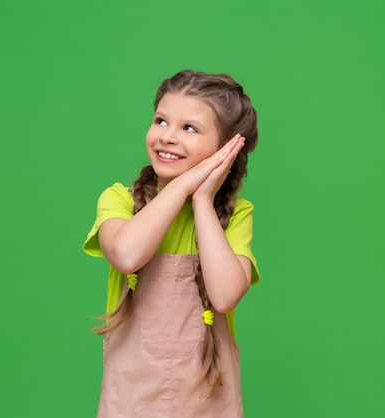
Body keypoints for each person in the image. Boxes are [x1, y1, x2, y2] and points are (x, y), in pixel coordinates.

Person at [83, 69, 260, 417]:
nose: (167, 136)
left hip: (210, 396)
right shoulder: (118, 199)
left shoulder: (236, 215)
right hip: (131, 396)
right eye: (161, 121)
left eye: (189, 128)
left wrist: (202, 201)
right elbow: (127, 254)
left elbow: (224, 296)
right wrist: (183, 184)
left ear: (225, 150)